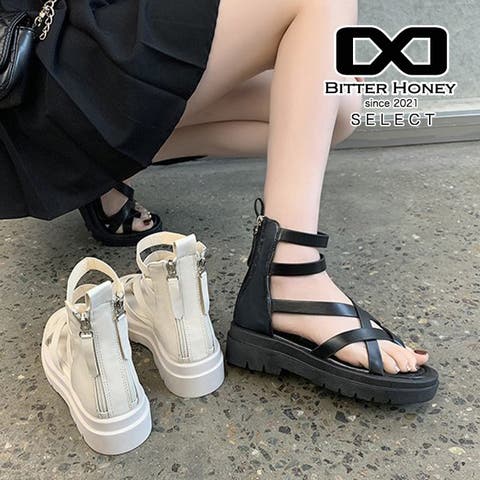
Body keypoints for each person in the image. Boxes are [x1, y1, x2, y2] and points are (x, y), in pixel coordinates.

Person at [0, 0, 437, 403]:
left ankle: (104, 175)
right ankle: (290, 274)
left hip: (75, 69)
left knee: (334, 105)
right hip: (36, 70)